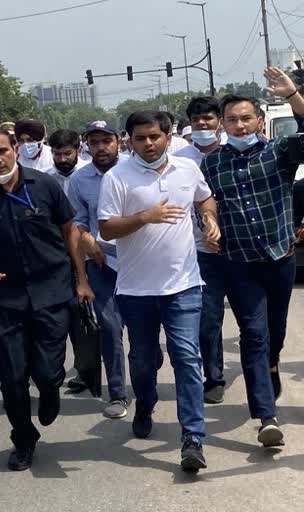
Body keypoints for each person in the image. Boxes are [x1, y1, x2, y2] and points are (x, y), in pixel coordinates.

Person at [0, 128, 93, 471]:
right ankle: (23, 437)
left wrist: (81, 280)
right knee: (11, 375)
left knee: (49, 372)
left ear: (15, 149)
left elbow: (70, 232)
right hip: (6, 296)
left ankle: (50, 391)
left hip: (52, 289)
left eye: (2, 151)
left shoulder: (44, 185)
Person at [98, 110, 220, 472]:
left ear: (167, 136)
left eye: (154, 136)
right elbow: (106, 229)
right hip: (136, 290)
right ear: (129, 140)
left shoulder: (186, 169)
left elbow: (204, 198)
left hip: (183, 284)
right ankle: (146, 402)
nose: (149, 144)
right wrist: (143, 217)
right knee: (142, 358)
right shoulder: (118, 177)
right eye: (140, 138)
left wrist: (209, 218)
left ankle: (193, 438)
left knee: (186, 356)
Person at [200, 67, 304, 447]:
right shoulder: (212, 163)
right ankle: (266, 417)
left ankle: (272, 365)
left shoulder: (281, 151)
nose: (240, 126)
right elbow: (204, 200)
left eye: (246, 118)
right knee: (253, 334)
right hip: (238, 263)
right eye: (232, 120)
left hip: (279, 258)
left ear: (259, 120)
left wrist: (293, 95)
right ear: (222, 125)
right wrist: (208, 220)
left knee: (275, 331)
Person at [66, 121, 130, 419]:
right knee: (109, 327)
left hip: (139, 263)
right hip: (101, 264)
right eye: (94, 142)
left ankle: (147, 367)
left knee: (144, 333)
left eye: (107, 141)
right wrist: (82, 276)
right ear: (86, 145)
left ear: (118, 141)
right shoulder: (79, 181)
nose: (101, 147)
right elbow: (77, 225)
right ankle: (117, 393)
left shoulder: (134, 169)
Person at [174, 96, 227, 404]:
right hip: (200, 251)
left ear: (219, 120)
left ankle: (262, 367)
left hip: (241, 248)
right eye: (197, 120)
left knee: (254, 321)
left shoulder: (234, 152)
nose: (203, 124)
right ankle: (214, 376)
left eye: (208, 118)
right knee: (208, 319)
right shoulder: (181, 159)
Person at [46, 129, 83, 193]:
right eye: (57, 154)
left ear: (78, 151)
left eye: (67, 154)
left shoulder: (89, 175)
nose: (62, 159)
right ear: (52, 152)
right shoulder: (45, 177)